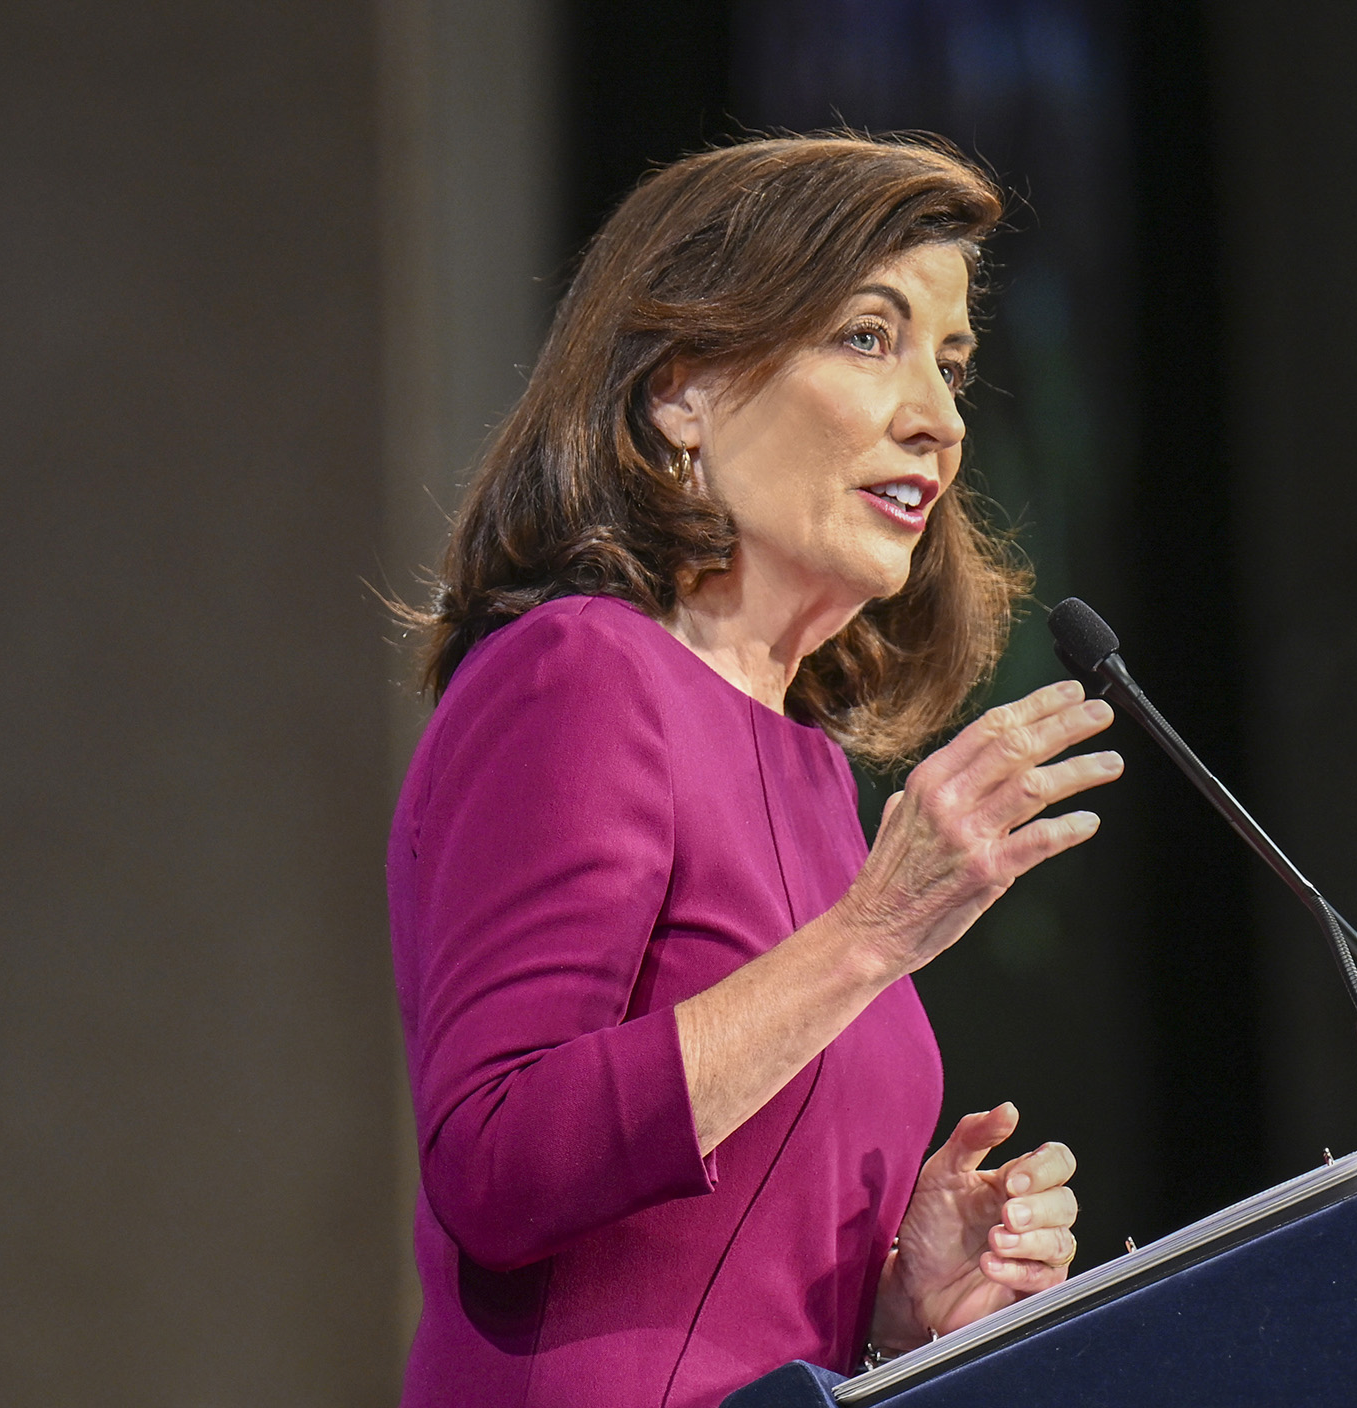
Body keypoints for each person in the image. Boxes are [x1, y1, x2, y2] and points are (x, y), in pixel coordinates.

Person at [387, 134, 1123, 1408]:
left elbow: (735, 1297)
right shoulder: (577, 672)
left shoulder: (813, 781)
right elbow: (494, 1160)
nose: (939, 420)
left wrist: (897, 1312)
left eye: (950, 364)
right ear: (679, 389)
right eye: (867, 338)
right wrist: (873, 933)